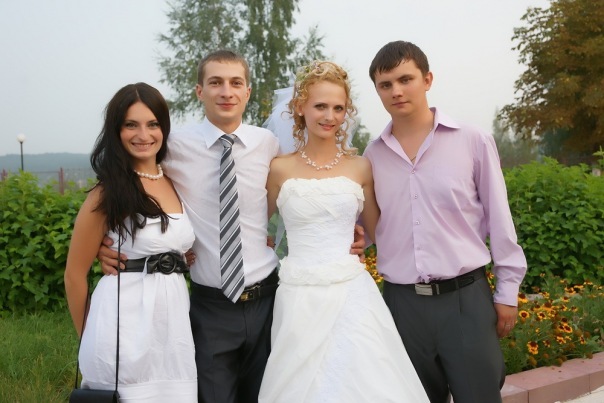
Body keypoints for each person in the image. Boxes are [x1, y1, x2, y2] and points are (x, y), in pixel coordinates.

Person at [97, 50, 364, 403]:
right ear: (199, 91)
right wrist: (104, 242)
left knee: (271, 394)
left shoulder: (268, 144)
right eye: (216, 83)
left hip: (269, 300)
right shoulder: (173, 147)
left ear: (247, 92)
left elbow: (305, 183)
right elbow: (132, 182)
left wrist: (343, 225)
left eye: (236, 83)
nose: (226, 92)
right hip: (211, 305)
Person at [363, 40, 528, 403]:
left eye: (405, 79)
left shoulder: (472, 140)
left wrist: (507, 291)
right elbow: (370, 228)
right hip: (401, 304)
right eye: (385, 84)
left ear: (427, 79)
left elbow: (501, 220)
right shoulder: (371, 156)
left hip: (465, 300)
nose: (396, 91)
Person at [259, 61, 429, 402]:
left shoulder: (361, 166)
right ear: (300, 107)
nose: (330, 116)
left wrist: (363, 237)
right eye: (320, 106)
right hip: (300, 295)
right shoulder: (278, 169)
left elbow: (377, 230)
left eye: (338, 108)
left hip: (352, 292)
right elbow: (257, 227)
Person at [64, 82, 197, 401]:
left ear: (164, 128)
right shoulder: (107, 192)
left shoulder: (176, 181)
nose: (143, 134)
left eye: (153, 124)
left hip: (173, 331)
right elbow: (74, 275)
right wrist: (88, 336)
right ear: (116, 130)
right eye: (131, 125)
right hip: (122, 328)